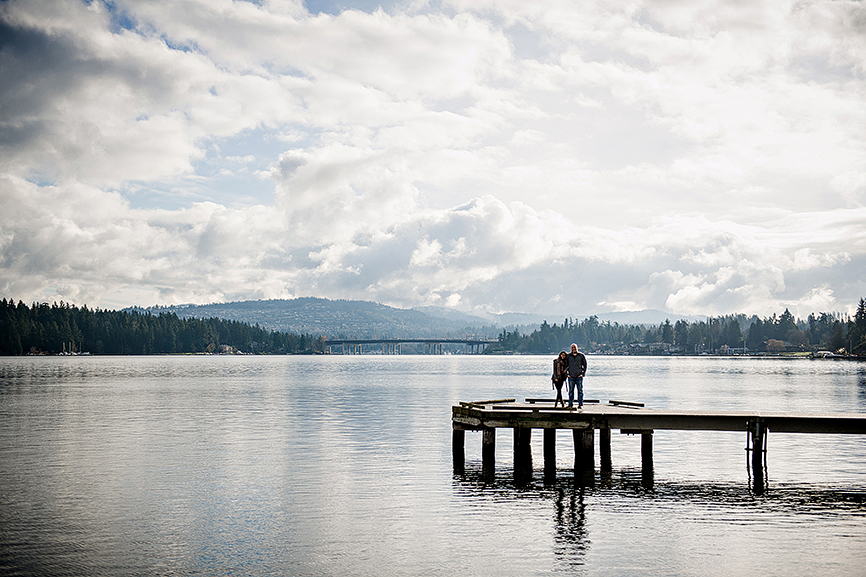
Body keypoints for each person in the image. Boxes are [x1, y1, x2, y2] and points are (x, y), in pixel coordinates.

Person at [565, 343, 587, 409]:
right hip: (571, 376)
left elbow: (585, 365)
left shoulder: (581, 356)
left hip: (579, 376)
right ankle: (570, 404)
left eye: (575, 347)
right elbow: (565, 366)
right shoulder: (568, 356)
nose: (574, 348)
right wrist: (567, 374)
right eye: (572, 347)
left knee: (580, 391)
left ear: (577, 348)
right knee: (571, 391)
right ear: (570, 348)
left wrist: (582, 374)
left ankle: (580, 404)